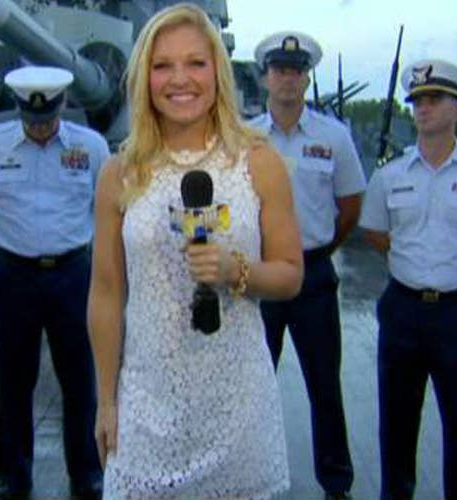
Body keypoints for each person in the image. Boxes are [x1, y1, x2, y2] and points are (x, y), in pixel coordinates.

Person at [88, 3, 304, 498]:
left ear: (217, 73)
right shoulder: (118, 174)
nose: (179, 79)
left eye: (195, 63)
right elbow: (105, 292)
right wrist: (106, 401)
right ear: (144, 77)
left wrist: (235, 269)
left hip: (239, 414)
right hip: (146, 411)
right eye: (162, 66)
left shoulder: (260, 163)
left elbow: (291, 274)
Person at [358, 59, 457, 499]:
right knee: (396, 421)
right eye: (418, 101)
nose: (423, 108)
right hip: (403, 307)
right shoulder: (390, 174)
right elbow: (375, 231)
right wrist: (415, 263)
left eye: (435, 99)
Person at [0, 66, 108, 499]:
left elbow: (104, 206)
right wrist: (16, 243)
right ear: (20, 110)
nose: (40, 127)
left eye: (46, 119)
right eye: (32, 119)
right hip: (14, 278)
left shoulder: (91, 146)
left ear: (62, 106)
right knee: (13, 381)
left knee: (80, 379)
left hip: (72, 273)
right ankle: (13, 477)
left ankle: (86, 473)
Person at [248, 30, 364, 499]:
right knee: (254, 383)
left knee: (324, 384)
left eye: (297, 71)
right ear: (265, 78)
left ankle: (336, 481)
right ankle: (250, 473)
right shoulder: (246, 139)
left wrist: (317, 251)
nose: (289, 79)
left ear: (307, 77)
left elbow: (350, 203)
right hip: (259, 276)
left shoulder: (334, 137)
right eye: (280, 70)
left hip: (314, 276)